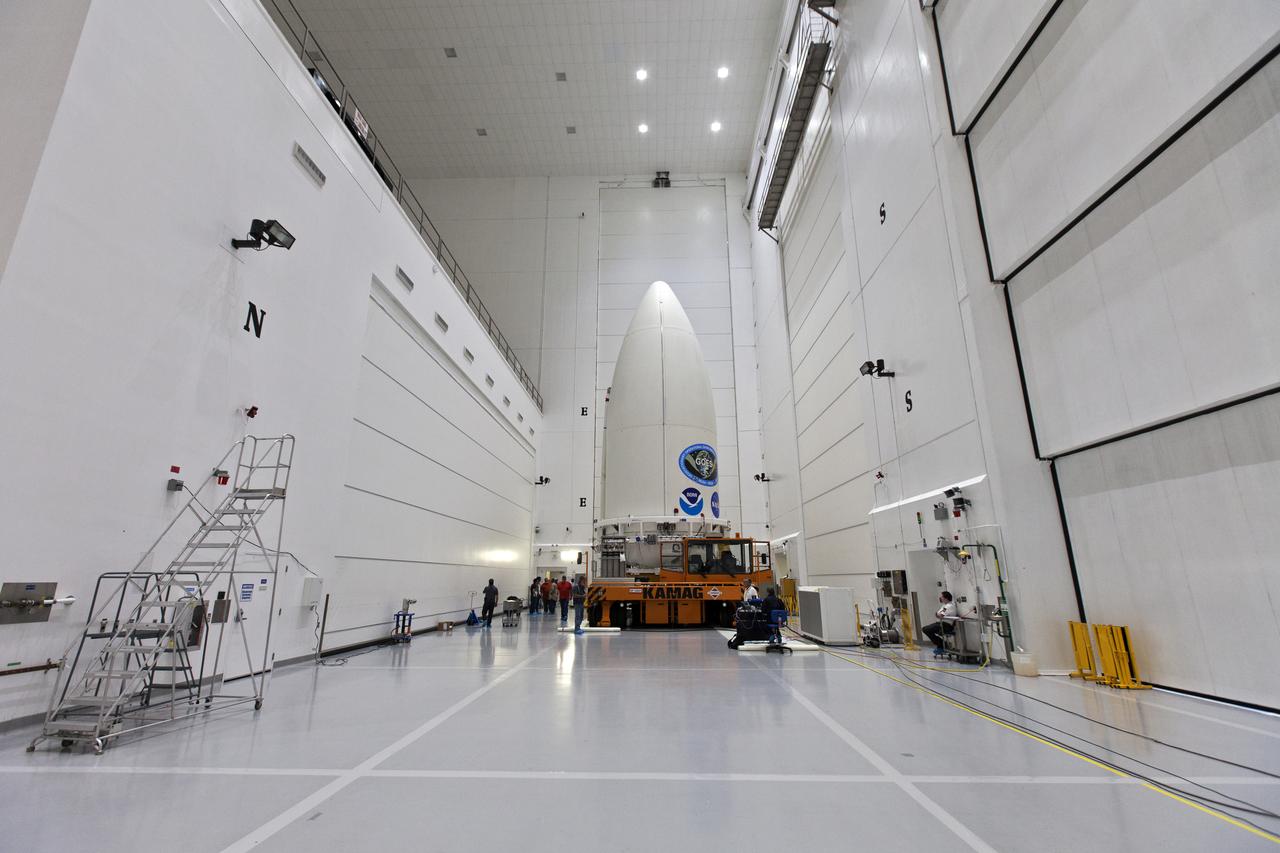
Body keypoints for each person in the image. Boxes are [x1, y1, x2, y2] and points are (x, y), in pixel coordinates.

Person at [923, 591, 957, 656]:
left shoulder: (949, 606)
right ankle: (941, 644)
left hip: (946, 625)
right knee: (925, 629)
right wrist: (938, 614)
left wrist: (938, 614)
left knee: (926, 629)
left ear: (946, 598)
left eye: (942, 596)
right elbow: (938, 614)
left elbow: (940, 615)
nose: (940, 598)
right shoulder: (944, 606)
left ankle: (941, 645)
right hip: (940, 623)